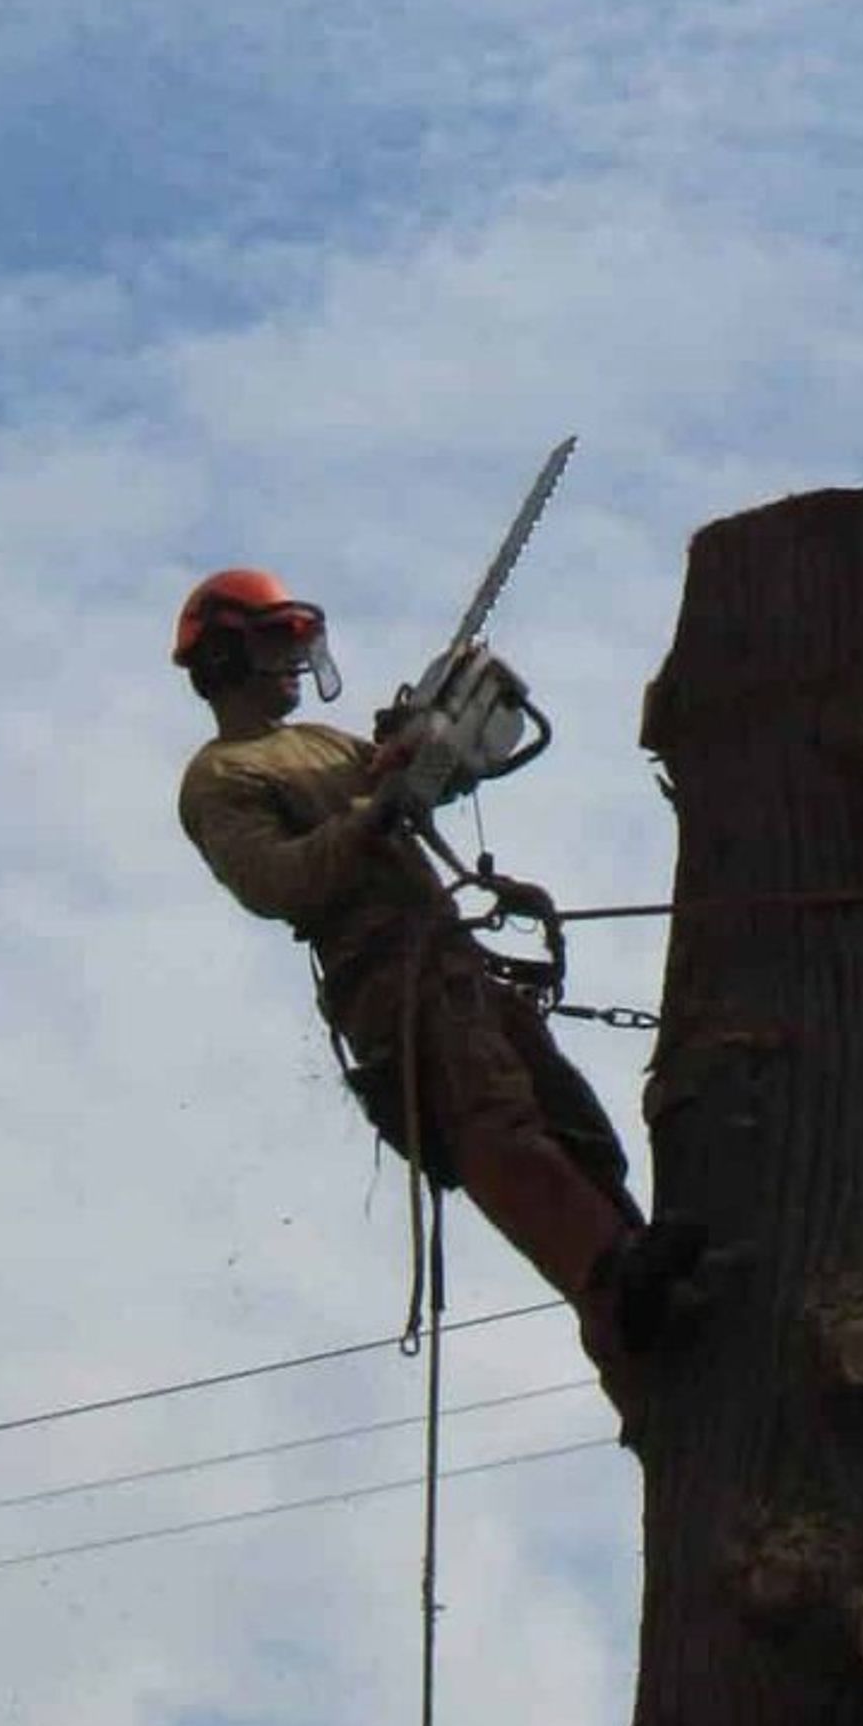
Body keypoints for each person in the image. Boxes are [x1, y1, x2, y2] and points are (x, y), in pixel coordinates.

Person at [172, 560, 701, 1415]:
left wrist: (425, 751)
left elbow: (417, 785)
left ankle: (633, 1277)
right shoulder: (222, 776)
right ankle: (609, 1275)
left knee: (572, 1122)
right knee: (492, 1119)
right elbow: (277, 882)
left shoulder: (333, 747)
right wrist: (368, 813)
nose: (293, 663)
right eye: (276, 643)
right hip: (382, 972)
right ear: (226, 655)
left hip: (451, 954)